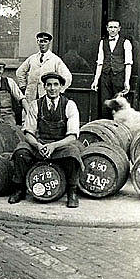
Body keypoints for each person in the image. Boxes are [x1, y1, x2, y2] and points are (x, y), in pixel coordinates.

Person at [9, 72, 83, 208]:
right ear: (44, 87)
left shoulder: (69, 105)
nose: (52, 88)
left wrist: (54, 146)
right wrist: (38, 145)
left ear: (61, 87)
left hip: (60, 146)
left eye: (55, 85)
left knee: (73, 154)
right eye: (49, 85)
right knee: (21, 151)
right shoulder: (35, 105)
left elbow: (72, 136)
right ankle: (19, 189)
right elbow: (28, 133)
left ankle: (72, 191)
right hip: (40, 144)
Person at [16, 32, 72, 107]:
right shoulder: (32, 58)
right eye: (40, 41)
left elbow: (67, 76)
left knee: (45, 112)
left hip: (46, 94)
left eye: (45, 42)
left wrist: (59, 90)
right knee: (30, 113)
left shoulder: (55, 59)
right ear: (37, 42)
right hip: (31, 94)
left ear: (49, 43)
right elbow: (20, 72)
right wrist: (23, 86)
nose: (42, 44)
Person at [91, 20, 133, 119]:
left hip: (119, 76)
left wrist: (127, 81)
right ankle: (105, 127)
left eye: (115, 27)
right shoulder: (103, 42)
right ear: (107, 28)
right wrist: (96, 80)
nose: (112, 30)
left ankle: (118, 128)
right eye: (110, 27)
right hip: (105, 76)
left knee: (118, 103)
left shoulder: (125, 42)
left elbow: (128, 63)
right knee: (105, 103)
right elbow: (100, 62)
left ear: (119, 29)